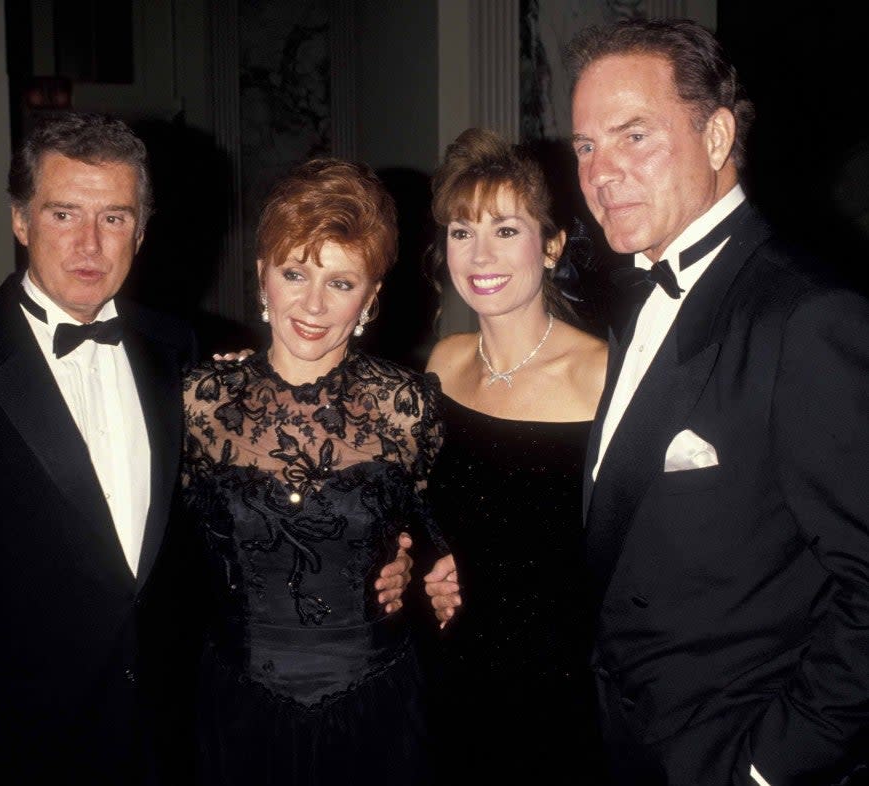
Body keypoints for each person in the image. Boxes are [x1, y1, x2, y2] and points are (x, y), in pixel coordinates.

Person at [0, 114, 411, 786]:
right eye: (63, 213)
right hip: (15, 749)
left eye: (114, 217)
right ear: (21, 220)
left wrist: (395, 560)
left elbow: (249, 516)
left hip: (177, 735)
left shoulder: (187, 356)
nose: (89, 242)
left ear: (141, 230)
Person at [565, 18, 869, 785]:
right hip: (630, 742)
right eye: (585, 146)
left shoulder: (808, 316)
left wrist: (776, 762)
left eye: (633, 135)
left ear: (716, 136)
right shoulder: (642, 296)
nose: (602, 172)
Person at [180, 158, 445, 786]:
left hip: (376, 716)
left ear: (372, 297)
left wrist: (418, 569)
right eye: (294, 273)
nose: (313, 304)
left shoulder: (410, 407)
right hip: (238, 716)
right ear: (261, 277)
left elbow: (441, 543)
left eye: (341, 282)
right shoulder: (197, 401)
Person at [421, 128, 608, 784]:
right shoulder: (441, 365)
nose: (479, 254)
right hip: (452, 676)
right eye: (462, 230)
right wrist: (425, 565)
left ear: (552, 246)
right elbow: (416, 508)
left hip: (565, 696)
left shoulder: (602, 375)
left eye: (506, 229)